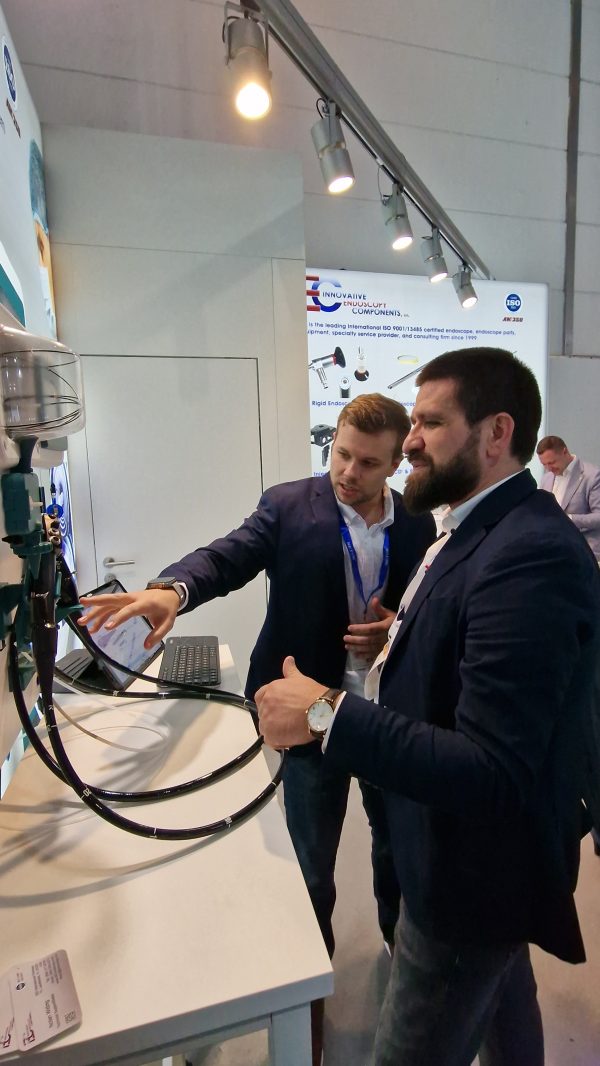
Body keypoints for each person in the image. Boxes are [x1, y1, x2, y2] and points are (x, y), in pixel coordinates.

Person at [255, 348, 600, 1066]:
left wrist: (323, 713)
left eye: (431, 423)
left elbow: (493, 769)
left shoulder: (529, 554)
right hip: (459, 860)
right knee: (509, 1016)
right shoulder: (472, 527)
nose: (409, 442)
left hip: (466, 882)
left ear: (496, 433)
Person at [78, 393, 436, 1057]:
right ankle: (311, 991)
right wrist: (172, 589)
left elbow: (427, 603)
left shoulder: (418, 519)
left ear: (393, 465)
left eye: (366, 463)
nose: (347, 472)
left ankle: (397, 947)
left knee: (395, 845)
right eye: (341, 455)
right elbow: (226, 557)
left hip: (385, 715)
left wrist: (398, 629)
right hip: (307, 719)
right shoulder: (288, 506)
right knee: (312, 866)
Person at [536, 435, 600, 560]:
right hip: (552, 551)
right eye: (544, 464)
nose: (548, 468)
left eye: (552, 462)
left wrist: (568, 519)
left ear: (564, 451)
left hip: (585, 552)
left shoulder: (593, 476)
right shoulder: (546, 478)